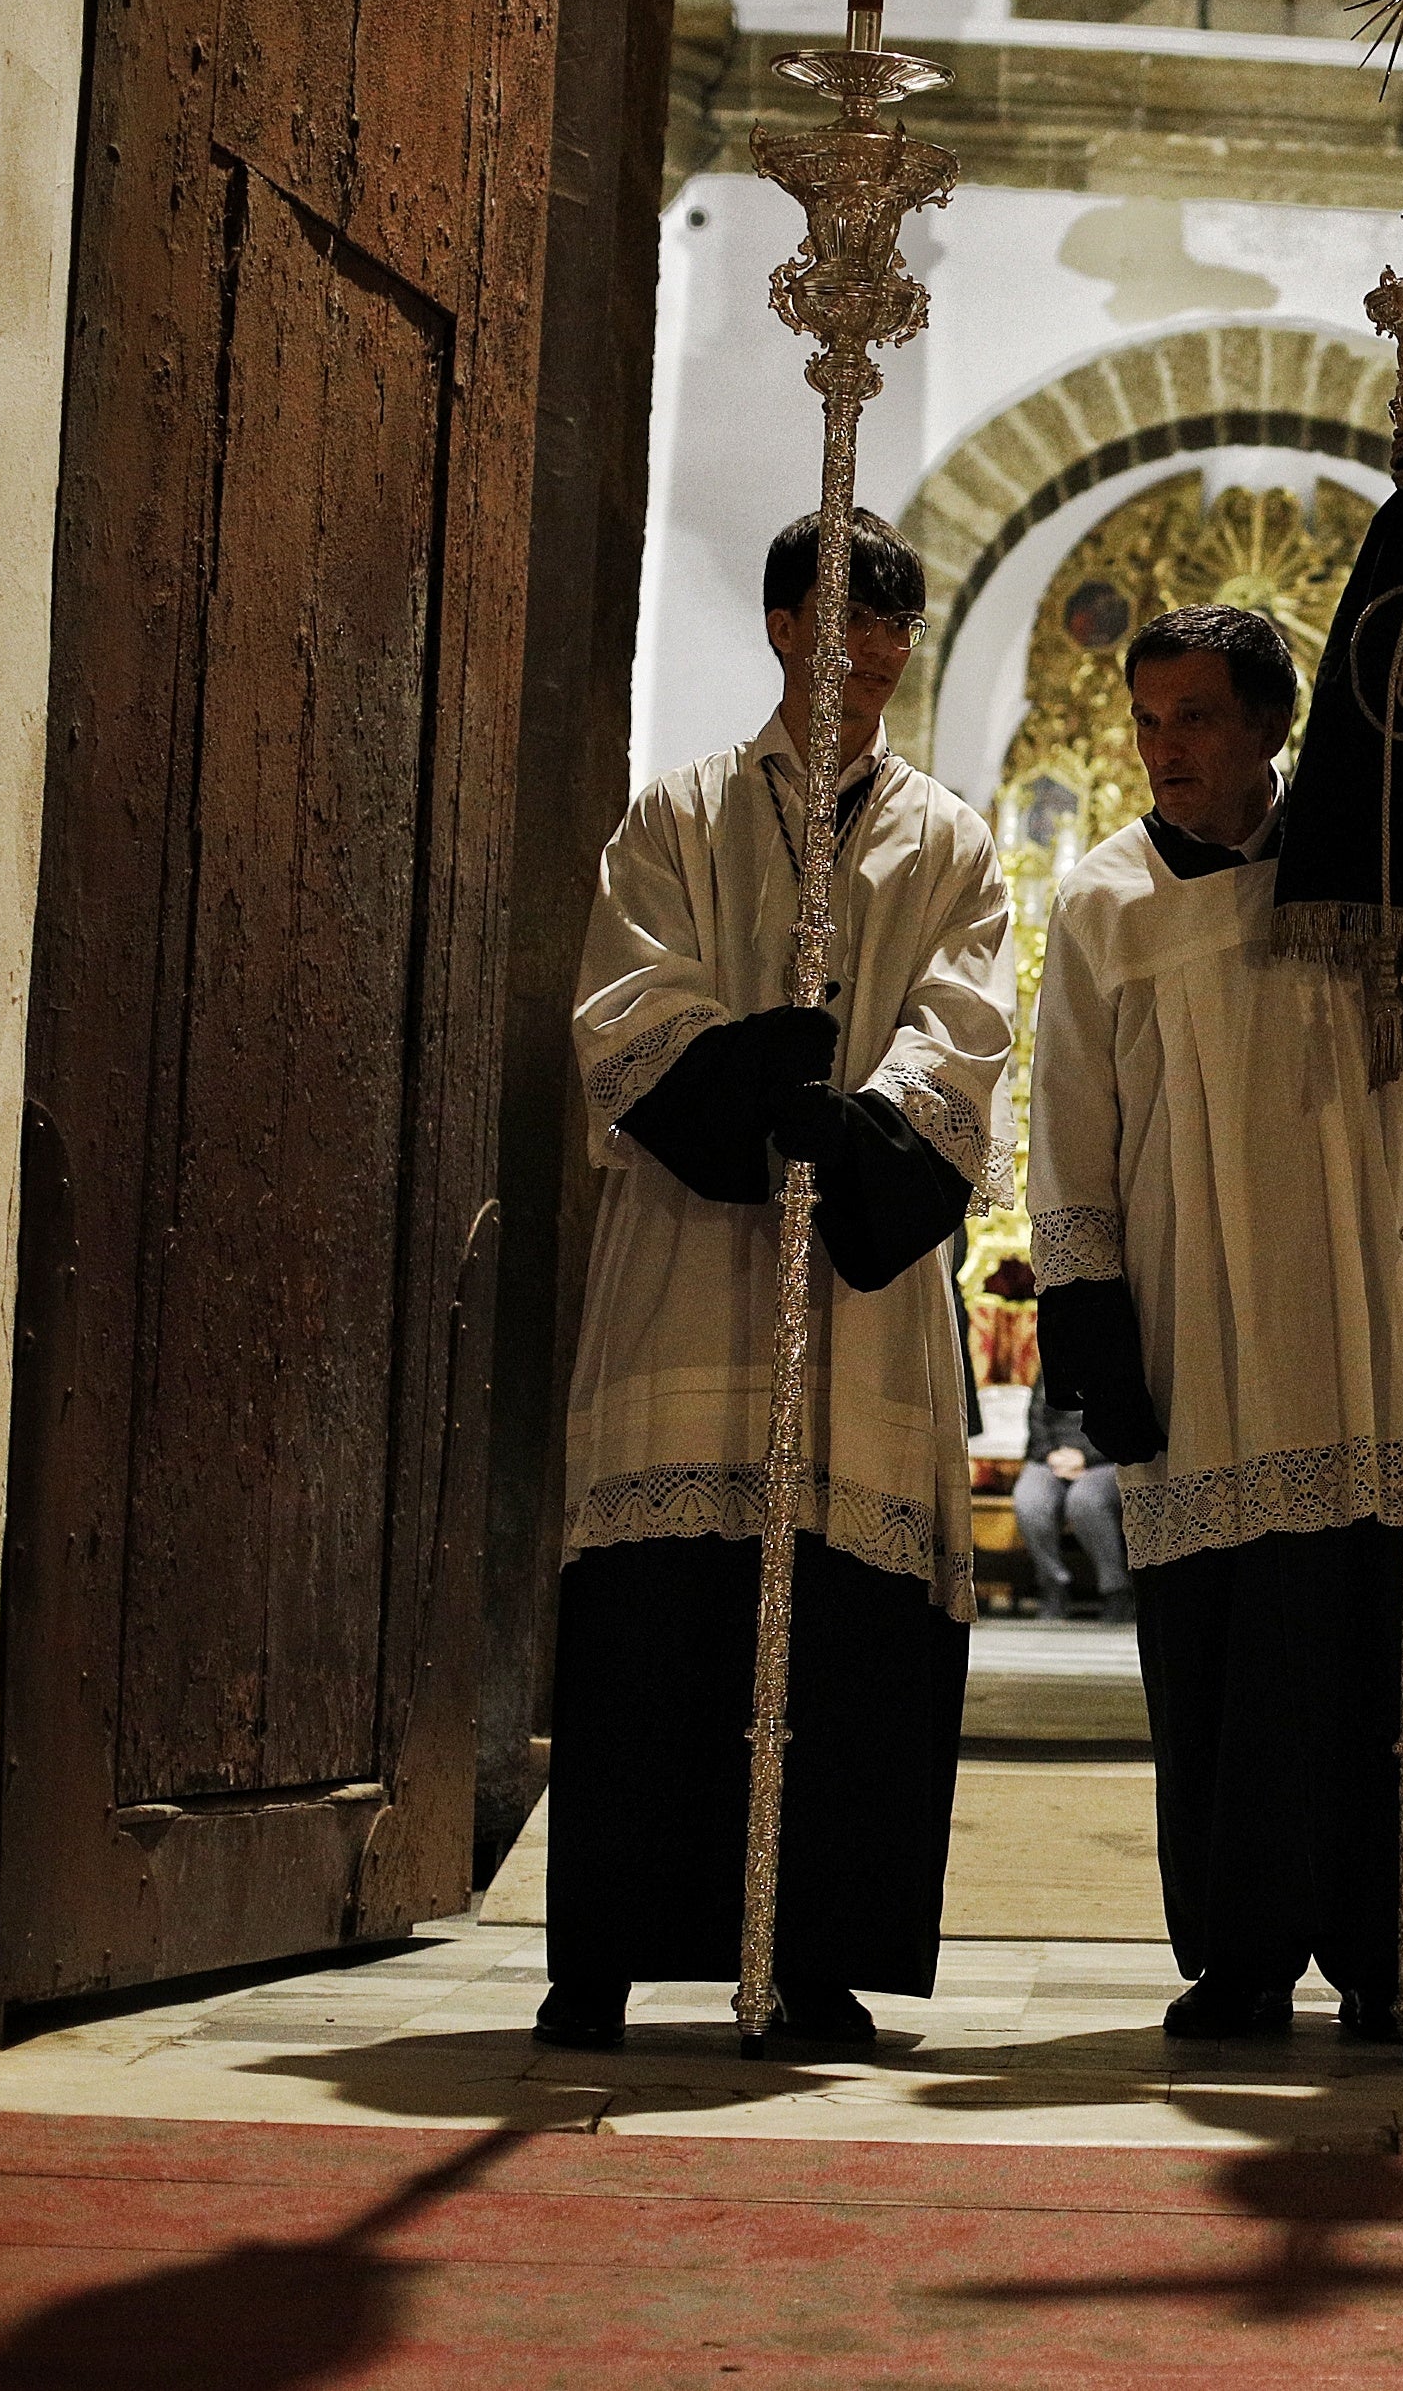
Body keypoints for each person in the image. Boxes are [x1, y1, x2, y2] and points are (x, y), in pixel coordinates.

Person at [544, 508, 1013, 2052]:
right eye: (843, 618)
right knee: (659, 1619)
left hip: (857, 1298)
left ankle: (817, 1952)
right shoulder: (675, 814)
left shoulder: (948, 841)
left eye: (894, 625)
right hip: (692, 1268)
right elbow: (628, 997)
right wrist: (750, 1076)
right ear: (782, 626)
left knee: (845, 1628)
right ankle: (606, 1948)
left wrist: (857, 1128)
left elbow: (963, 1025)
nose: (868, 650)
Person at [1024, 604, 1403, 2039]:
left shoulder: (1367, 869)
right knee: (1227, 1648)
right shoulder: (1104, 900)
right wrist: (1088, 1323)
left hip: (1368, 1299)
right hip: (1202, 1310)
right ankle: (1240, 1953)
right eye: (1147, 719)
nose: (1164, 747)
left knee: (1374, 1628)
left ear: (1273, 725)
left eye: (1197, 717)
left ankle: (1381, 1945)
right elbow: (1070, 1127)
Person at [1011, 1388, 1130, 1621]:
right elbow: (1037, 1415)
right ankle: (1053, 1586)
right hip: (1053, 1457)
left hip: (1107, 1457)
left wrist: (1087, 1456)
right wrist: (1051, 1454)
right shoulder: (1049, 1367)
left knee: (1085, 1500)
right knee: (1030, 1500)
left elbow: (1128, 1421)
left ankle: (1116, 1590)